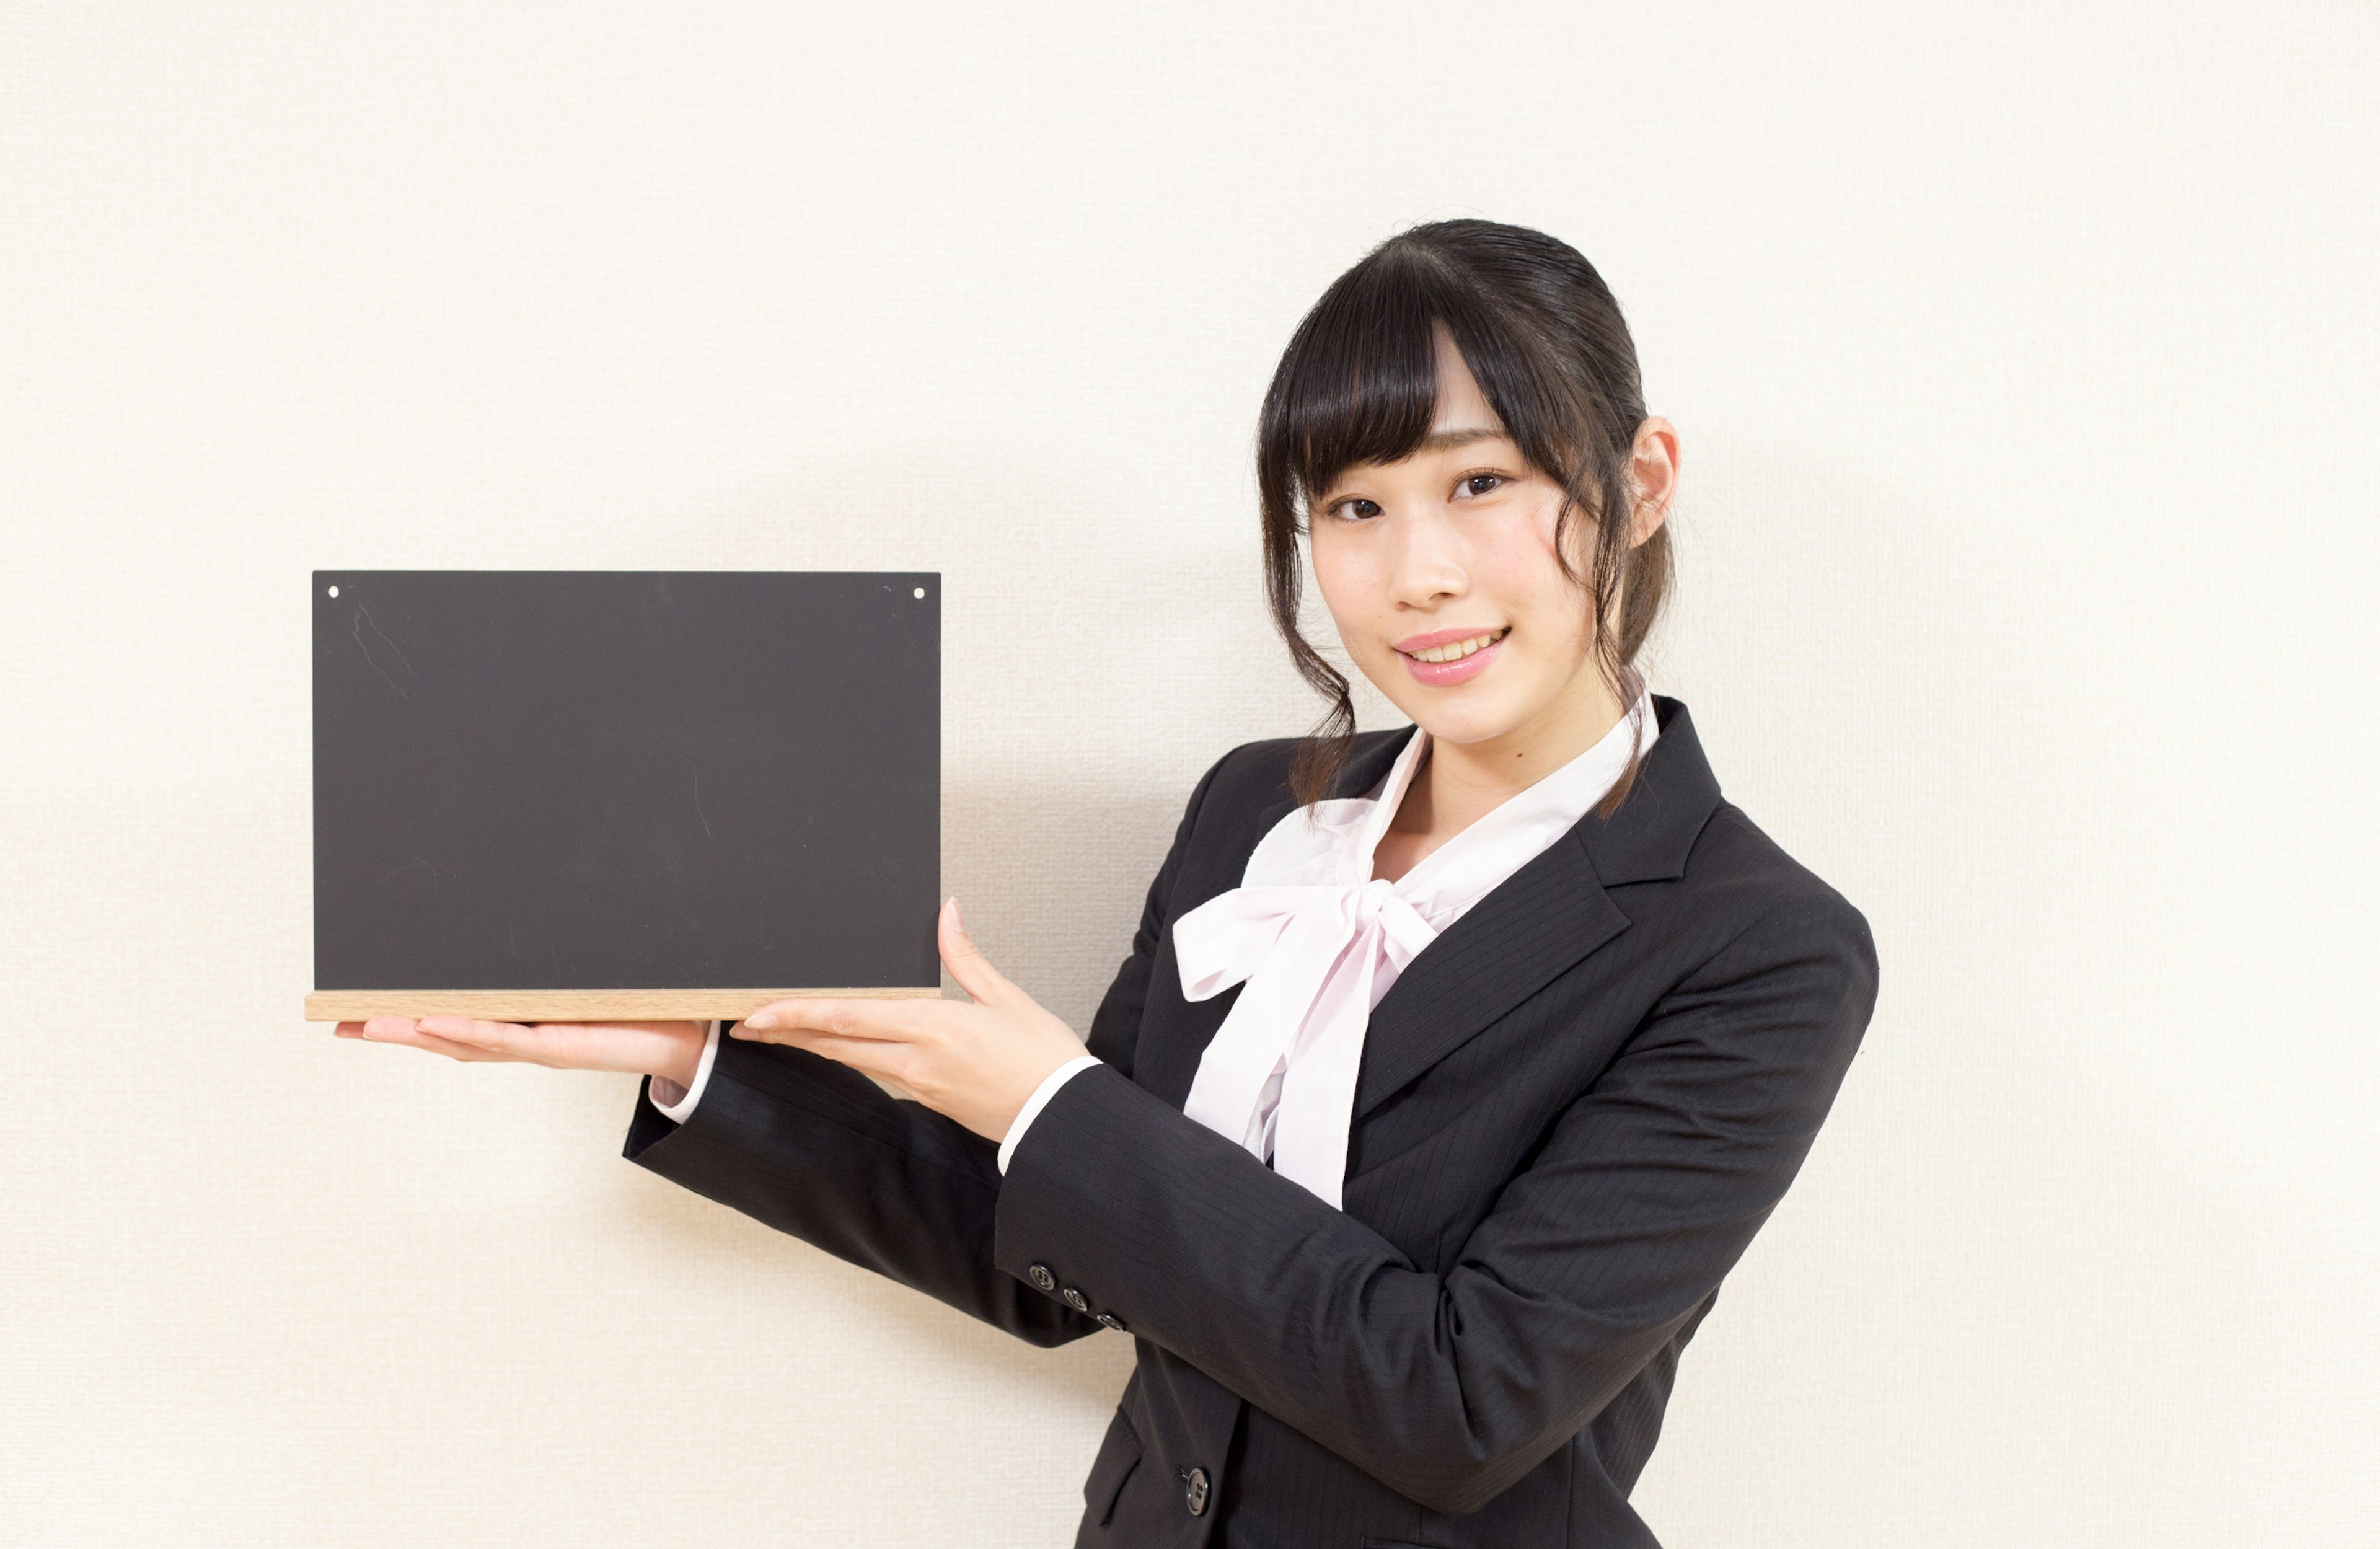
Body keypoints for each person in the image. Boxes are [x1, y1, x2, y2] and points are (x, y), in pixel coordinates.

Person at [342, 219, 1879, 1547]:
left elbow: (1460, 1395)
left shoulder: (1759, 946)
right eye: (1353, 506)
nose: (1418, 573)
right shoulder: (1252, 813)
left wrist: (1046, 1098)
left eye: (1482, 482)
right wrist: (699, 1058)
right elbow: (1058, 1260)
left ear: (1644, 478)